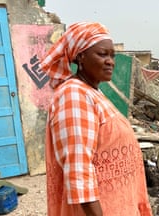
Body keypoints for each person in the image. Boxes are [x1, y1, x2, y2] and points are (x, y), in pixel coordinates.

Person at [40, 22, 152, 216]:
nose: (111, 61)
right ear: (81, 57)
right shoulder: (73, 95)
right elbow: (79, 171)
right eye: (102, 54)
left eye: (112, 55)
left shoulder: (92, 91)